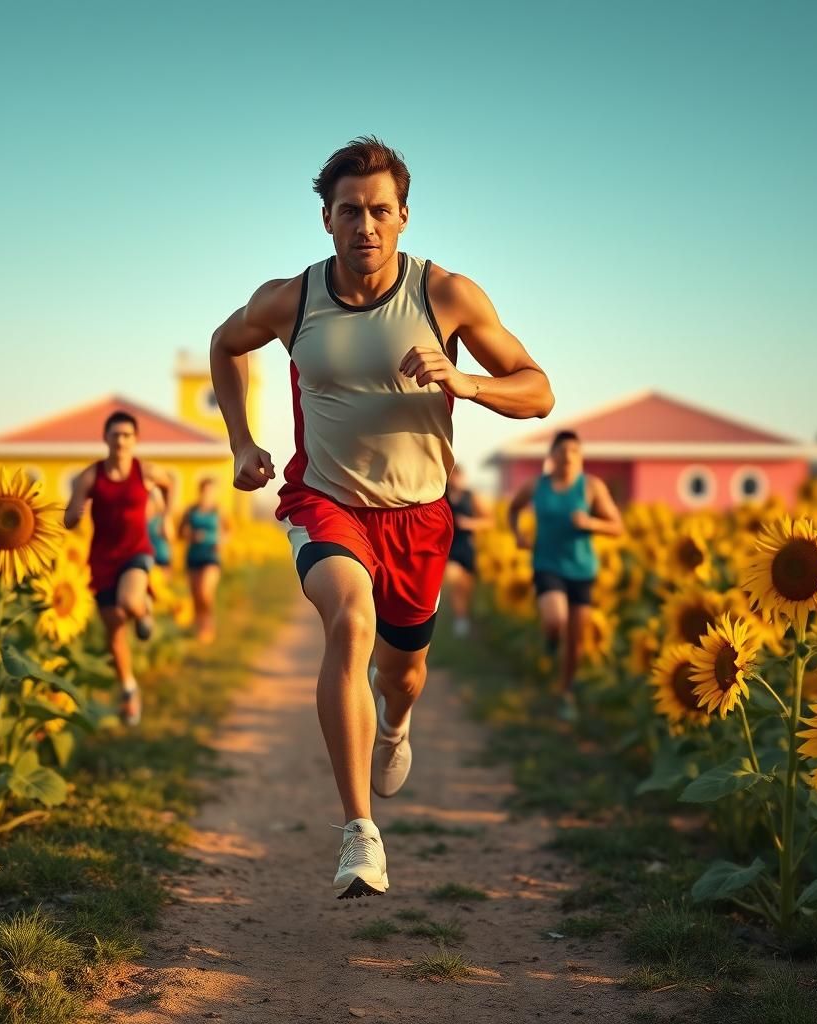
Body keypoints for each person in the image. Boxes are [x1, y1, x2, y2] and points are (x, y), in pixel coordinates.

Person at [209, 136, 554, 899]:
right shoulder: (290, 299)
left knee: (404, 673)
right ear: (326, 219)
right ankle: (360, 833)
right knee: (349, 623)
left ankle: (395, 723)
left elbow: (538, 391)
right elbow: (224, 344)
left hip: (419, 518)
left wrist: (464, 381)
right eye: (349, 212)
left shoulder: (447, 296)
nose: (365, 226)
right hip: (325, 502)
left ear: (403, 217)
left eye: (379, 212)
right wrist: (241, 442)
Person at [64, 410, 176, 727]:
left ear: (135, 440)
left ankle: (143, 610)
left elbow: (170, 487)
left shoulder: (145, 471)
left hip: (137, 552)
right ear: (106, 438)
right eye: (116, 434)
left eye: (127, 435)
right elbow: (70, 519)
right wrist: (75, 510)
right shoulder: (91, 476)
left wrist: (167, 515)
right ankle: (129, 689)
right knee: (114, 632)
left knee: (129, 602)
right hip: (101, 559)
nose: (121, 440)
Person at [507, 430, 623, 719]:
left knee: (576, 641)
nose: (568, 456)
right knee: (555, 619)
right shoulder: (537, 486)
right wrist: (518, 534)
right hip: (546, 564)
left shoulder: (591, 487)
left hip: (582, 570)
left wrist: (591, 523)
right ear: (552, 456)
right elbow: (513, 509)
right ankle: (549, 639)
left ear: (580, 457)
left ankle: (566, 692)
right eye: (562, 451)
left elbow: (617, 526)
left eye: (574, 451)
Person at [444, 465, 494, 637]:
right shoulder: (443, 497)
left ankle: (463, 617)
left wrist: (469, 523)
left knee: (465, 587)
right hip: (450, 549)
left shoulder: (471, 497)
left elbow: (489, 521)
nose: (455, 480)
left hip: (467, 547)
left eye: (457, 476)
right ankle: (460, 619)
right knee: (453, 579)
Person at [180, 476, 226, 643]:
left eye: (211, 491)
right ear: (200, 491)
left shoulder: (219, 510)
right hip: (193, 556)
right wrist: (191, 535)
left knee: (205, 592)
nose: (208, 494)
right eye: (206, 491)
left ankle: (207, 626)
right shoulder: (190, 510)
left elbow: (229, 530)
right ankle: (199, 625)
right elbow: (180, 532)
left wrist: (222, 541)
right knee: (195, 595)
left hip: (211, 556)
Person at [147, 486, 174, 581]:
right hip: (147, 559)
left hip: (161, 558)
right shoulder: (141, 520)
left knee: (160, 589)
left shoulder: (161, 519)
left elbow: (170, 538)